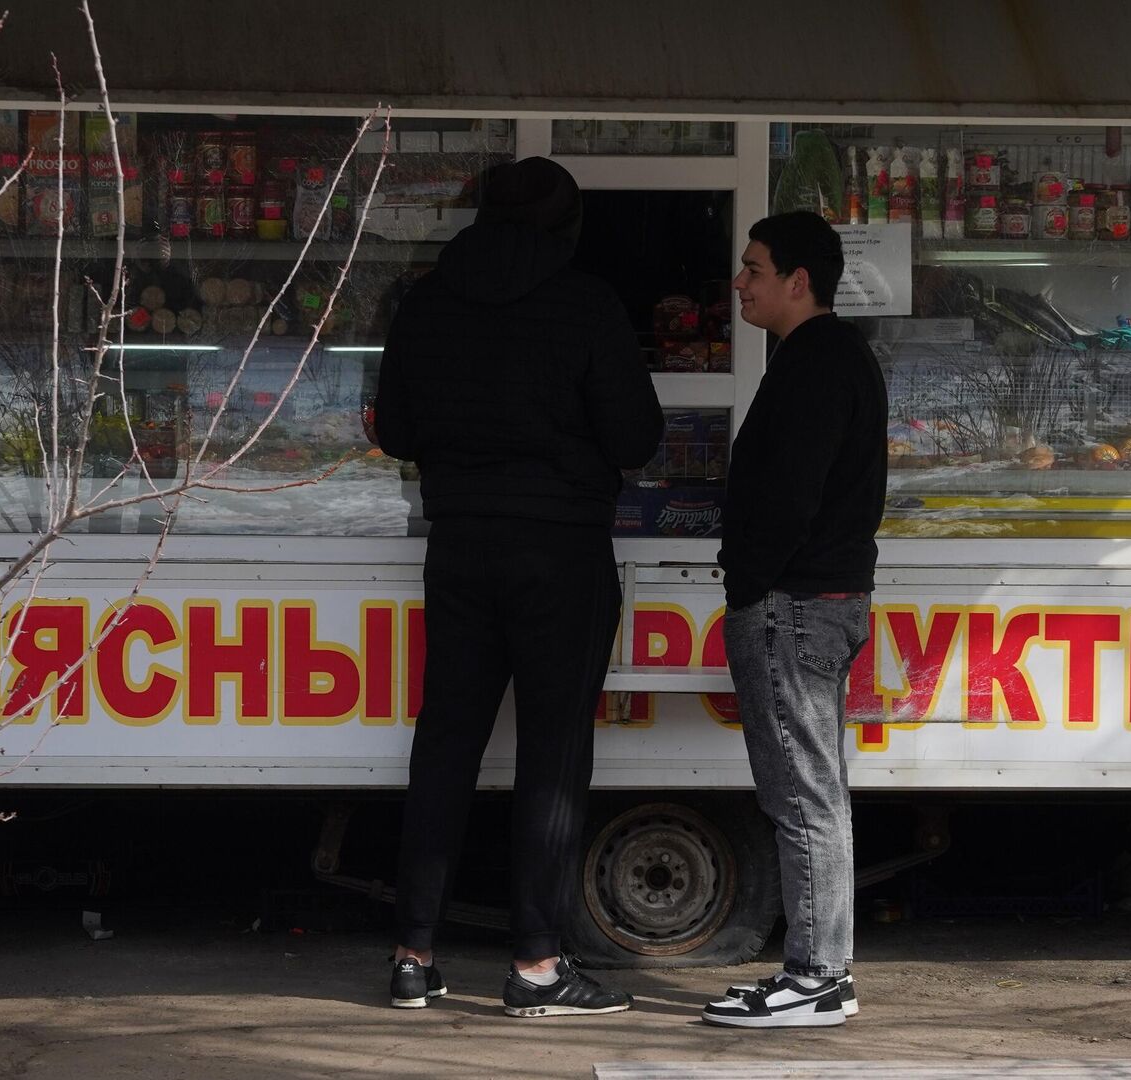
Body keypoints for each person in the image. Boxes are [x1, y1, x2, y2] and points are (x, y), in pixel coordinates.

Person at [372, 157, 663, 1017]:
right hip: (561, 554)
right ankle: (537, 968)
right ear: (567, 225)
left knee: (445, 744)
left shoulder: (426, 301)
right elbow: (638, 435)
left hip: (459, 546)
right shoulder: (586, 304)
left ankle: (412, 955)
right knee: (553, 756)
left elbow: (394, 429)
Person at [700, 212, 886, 1029]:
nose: (740, 283)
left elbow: (786, 497)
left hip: (795, 607)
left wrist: (751, 585)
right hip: (814, 604)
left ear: (797, 280)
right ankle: (819, 972)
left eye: (753, 268)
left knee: (803, 796)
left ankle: (815, 977)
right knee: (815, 791)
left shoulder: (817, 364)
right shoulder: (829, 358)